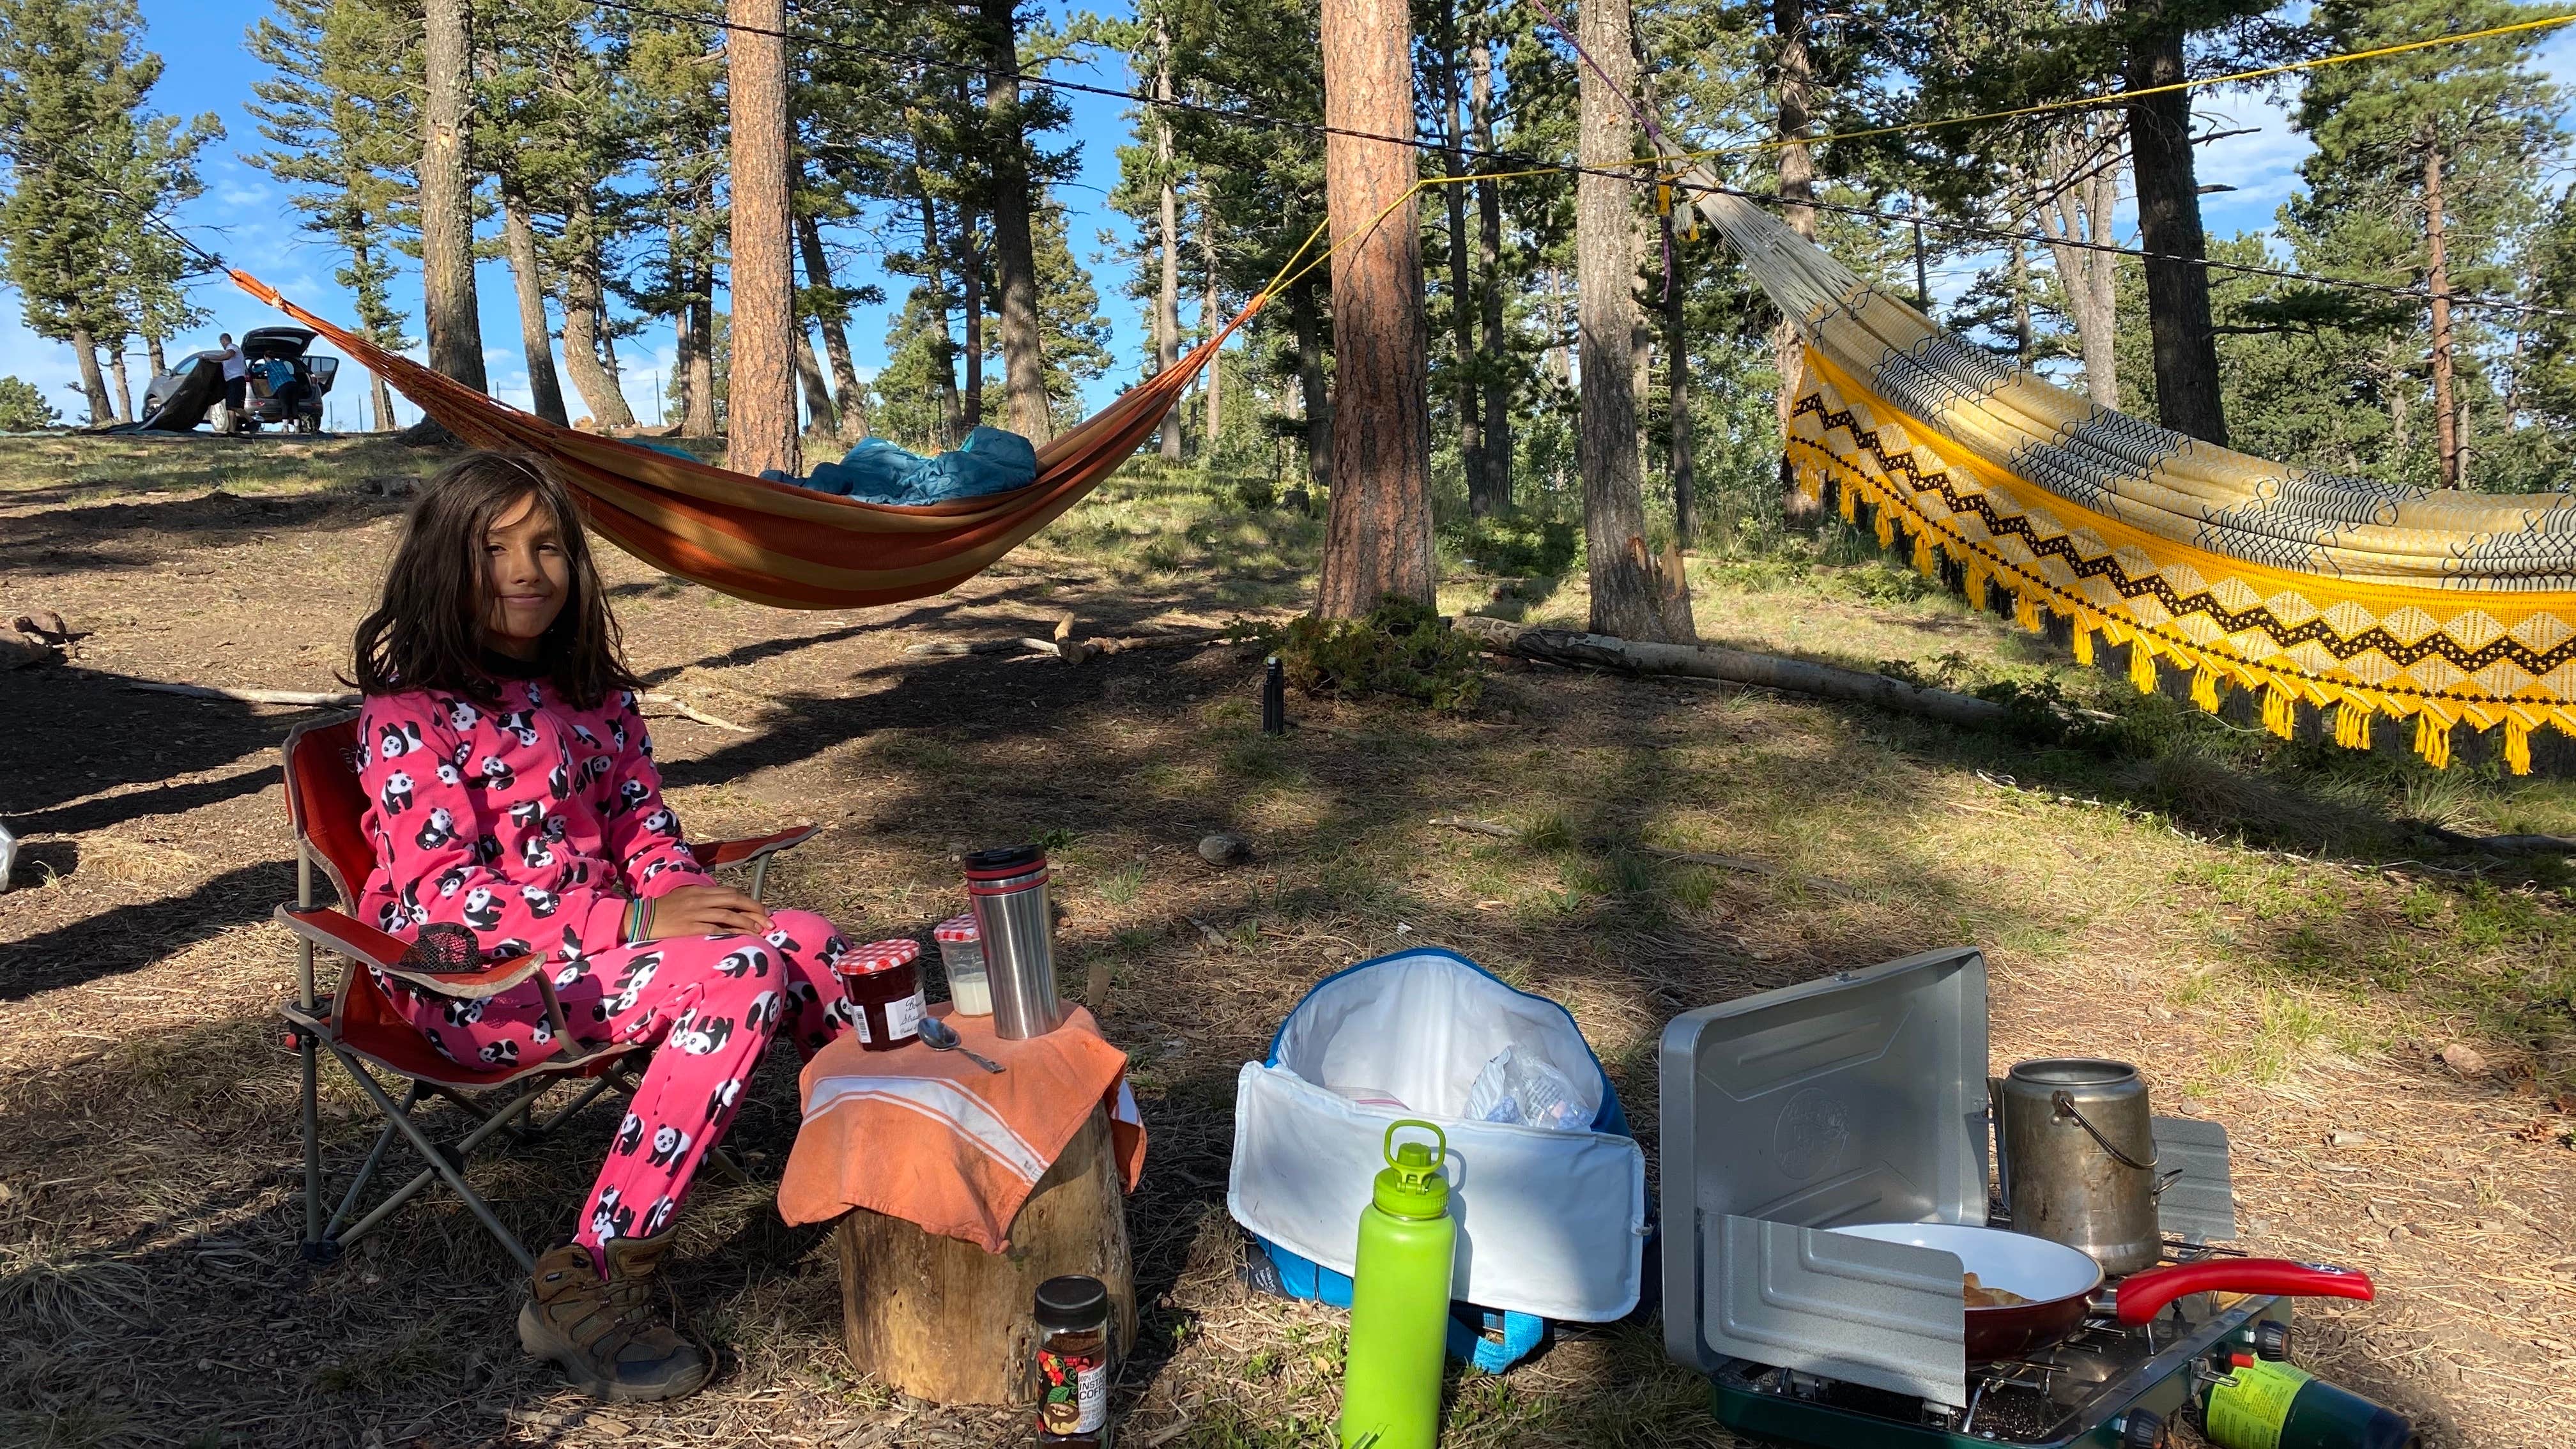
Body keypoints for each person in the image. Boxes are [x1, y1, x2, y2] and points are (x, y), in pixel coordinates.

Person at [346, 450, 858, 1402]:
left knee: (805, 938)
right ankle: (588, 1274)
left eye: (546, 546)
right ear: (438, 566)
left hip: (604, 958)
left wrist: (683, 897)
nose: (526, 569)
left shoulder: (597, 701)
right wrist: (636, 916)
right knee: (743, 973)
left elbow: (644, 832)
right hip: (478, 986)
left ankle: (880, 1156)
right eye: (492, 548)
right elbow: (441, 900)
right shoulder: (410, 716)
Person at [216, 334, 247, 427]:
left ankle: (252, 421)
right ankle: (232, 430)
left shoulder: (232, 347)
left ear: (224, 340)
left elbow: (228, 355)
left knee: (234, 405)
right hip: (230, 380)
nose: (221, 344)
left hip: (236, 379)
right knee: (230, 407)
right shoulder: (228, 351)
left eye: (221, 342)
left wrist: (209, 356)